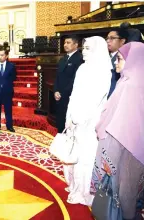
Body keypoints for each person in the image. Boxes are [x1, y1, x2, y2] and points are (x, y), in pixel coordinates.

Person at [92, 42, 144, 220]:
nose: (116, 62)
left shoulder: (130, 86)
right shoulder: (131, 81)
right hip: (136, 149)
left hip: (125, 151)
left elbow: (120, 126)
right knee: (131, 195)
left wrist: (108, 159)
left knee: (124, 196)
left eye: (120, 59)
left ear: (134, 61)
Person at [63, 36, 112, 205]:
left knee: (86, 155)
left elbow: (95, 100)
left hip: (90, 121)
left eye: (88, 48)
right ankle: (75, 186)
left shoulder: (104, 70)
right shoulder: (82, 68)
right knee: (74, 153)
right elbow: (74, 95)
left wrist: (79, 118)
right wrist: (69, 116)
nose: (84, 51)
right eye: (84, 48)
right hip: (76, 118)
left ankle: (85, 192)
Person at [54, 35, 83, 133]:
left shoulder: (80, 58)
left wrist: (63, 92)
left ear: (76, 44)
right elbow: (57, 76)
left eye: (68, 43)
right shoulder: (63, 58)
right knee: (60, 120)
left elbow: (75, 79)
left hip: (70, 95)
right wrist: (56, 90)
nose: (65, 45)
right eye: (64, 43)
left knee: (69, 122)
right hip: (59, 95)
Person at [0, 48, 17, 133]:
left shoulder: (11, 66)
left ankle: (9, 126)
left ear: (6, 56)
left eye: (2, 55)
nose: (0, 57)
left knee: (8, 109)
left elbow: (14, 77)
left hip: (7, 91)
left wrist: (6, 83)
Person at [106, 25, 127, 98]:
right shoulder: (104, 57)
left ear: (122, 41)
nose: (108, 41)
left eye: (112, 38)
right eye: (107, 38)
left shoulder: (125, 59)